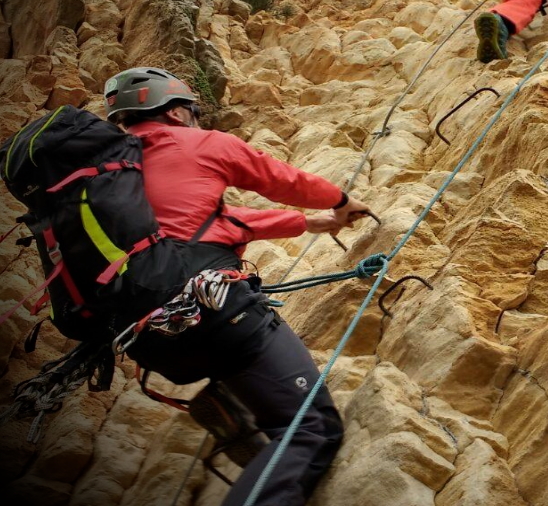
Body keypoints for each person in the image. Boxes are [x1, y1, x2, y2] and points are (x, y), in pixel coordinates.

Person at [103, 66, 373, 506]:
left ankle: (238, 406)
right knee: (309, 428)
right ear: (174, 112)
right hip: (215, 312)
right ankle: (254, 424)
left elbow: (212, 226)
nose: (194, 119)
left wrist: (307, 224)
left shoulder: (118, 171)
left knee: (233, 357)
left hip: (146, 334)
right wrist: (340, 201)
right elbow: (280, 178)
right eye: (191, 111)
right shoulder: (202, 143)